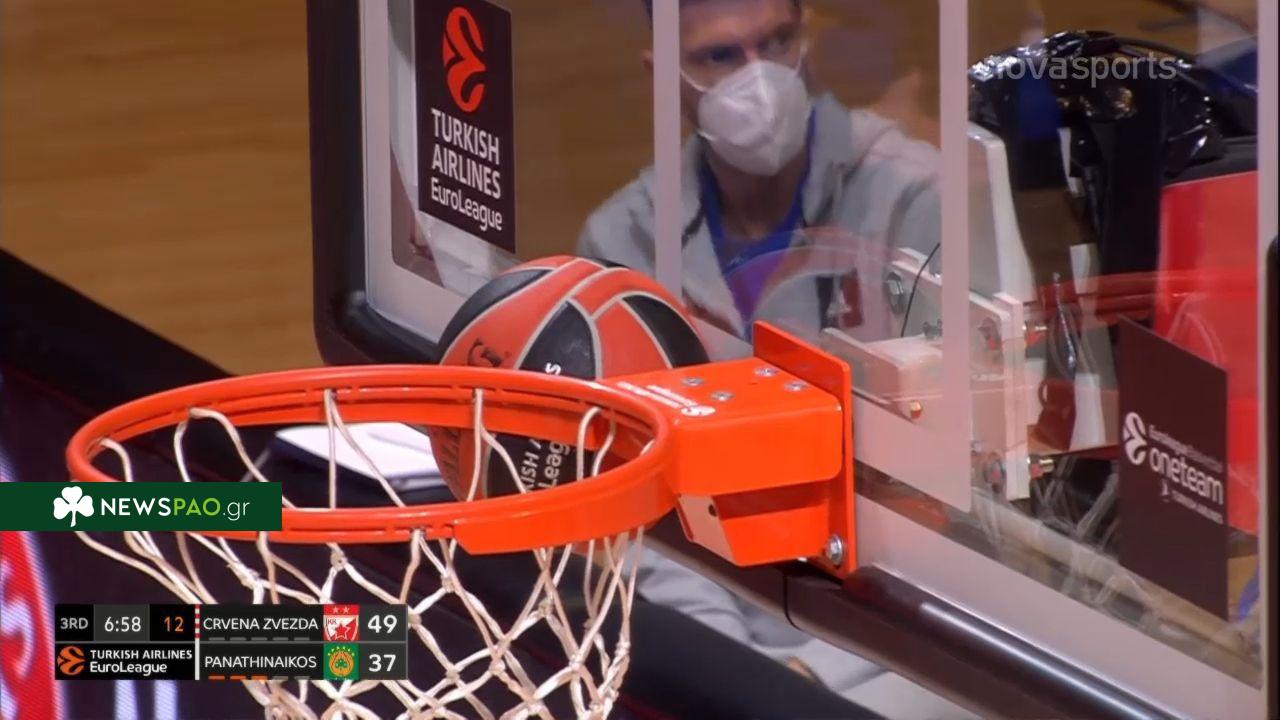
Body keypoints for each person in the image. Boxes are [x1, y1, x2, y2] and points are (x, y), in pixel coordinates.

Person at [577, 0, 940, 342]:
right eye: (721, 56)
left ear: (806, 39)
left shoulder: (913, 196)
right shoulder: (623, 245)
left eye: (777, 41)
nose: (761, 83)